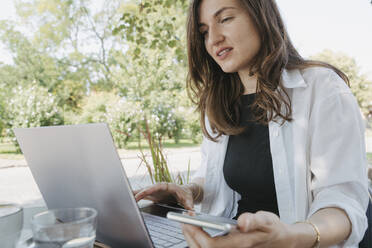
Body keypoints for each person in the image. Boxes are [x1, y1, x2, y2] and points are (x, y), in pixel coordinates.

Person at [134, 0, 370, 247]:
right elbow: (212, 177)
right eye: (204, 32)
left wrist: (290, 237)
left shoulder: (322, 88)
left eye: (225, 19)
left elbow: (344, 204)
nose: (213, 39)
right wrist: (188, 191)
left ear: (261, 17)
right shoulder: (219, 103)